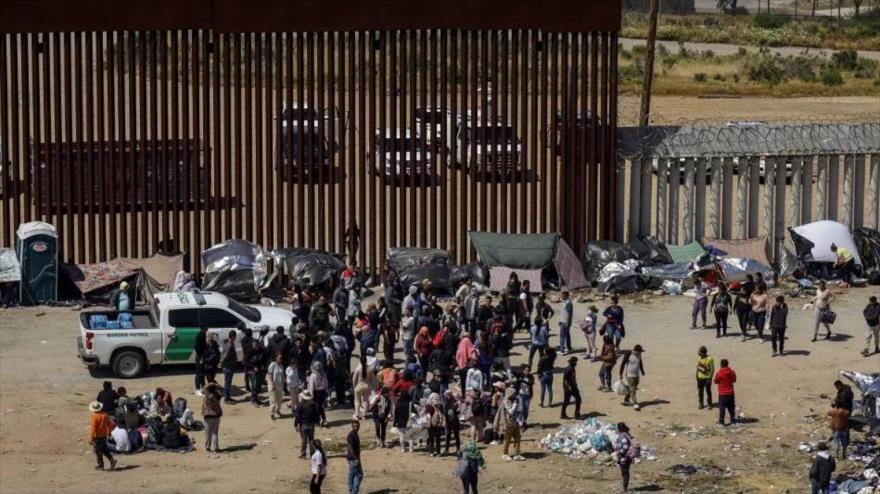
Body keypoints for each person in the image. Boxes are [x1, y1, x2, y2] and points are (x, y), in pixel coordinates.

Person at [496, 388, 524, 461]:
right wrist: (515, 404)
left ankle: (517, 454)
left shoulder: (513, 400)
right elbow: (510, 411)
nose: (515, 395)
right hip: (508, 424)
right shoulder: (506, 401)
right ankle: (505, 454)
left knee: (518, 438)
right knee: (507, 439)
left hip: (515, 422)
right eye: (514, 393)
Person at [89, 401, 117, 470]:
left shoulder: (94, 416)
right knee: (104, 449)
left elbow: (93, 429)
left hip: (97, 436)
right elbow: (109, 425)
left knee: (98, 451)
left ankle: (100, 465)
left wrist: (91, 438)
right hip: (104, 435)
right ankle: (111, 460)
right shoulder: (105, 415)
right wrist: (109, 433)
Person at [619, 345, 645, 410]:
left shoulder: (639, 355)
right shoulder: (628, 354)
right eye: (639, 352)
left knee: (633, 387)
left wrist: (642, 371)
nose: (640, 353)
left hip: (636, 375)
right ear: (635, 351)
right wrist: (620, 373)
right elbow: (623, 364)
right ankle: (634, 403)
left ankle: (626, 399)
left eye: (640, 352)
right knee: (632, 389)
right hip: (629, 375)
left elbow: (640, 363)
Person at [295, 390, 320, 459]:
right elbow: (317, 414)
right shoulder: (314, 404)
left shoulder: (300, 404)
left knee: (304, 440)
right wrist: (317, 422)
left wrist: (296, 424)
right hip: (311, 424)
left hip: (303, 424)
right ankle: (312, 453)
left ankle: (303, 454)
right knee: (311, 439)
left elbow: (297, 416)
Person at [714, 359, 737, 426]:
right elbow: (734, 380)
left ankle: (721, 422)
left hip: (722, 394)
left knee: (722, 408)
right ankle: (733, 421)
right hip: (730, 393)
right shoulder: (732, 372)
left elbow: (715, 381)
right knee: (731, 408)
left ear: (721, 365)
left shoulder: (719, 373)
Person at [201, 381, 223, 452]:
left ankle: (207, 447)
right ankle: (216, 448)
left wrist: (212, 384)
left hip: (208, 416)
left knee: (208, 432)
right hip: (216, 416)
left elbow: (204, 388)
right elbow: (221, 389)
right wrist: (217, 386)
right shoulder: (218, 395)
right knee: (215, 433)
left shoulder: (208, 395)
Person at [307, 361, 330, 427]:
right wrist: (326, 391)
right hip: (322, 392)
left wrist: (311, 395)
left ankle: (317, 421)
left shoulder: (313, 375)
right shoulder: (323, 373)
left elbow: (311, 386)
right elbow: (326, 384)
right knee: (320, 407)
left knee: (315, 407)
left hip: (316, 393)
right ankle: (324, 419)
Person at [615, 422, 635, 493]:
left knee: (625, 472)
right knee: (625, 472)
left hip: (624, 458)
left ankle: (625, 488)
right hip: (627, 457)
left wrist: (619, 452)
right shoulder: (627, 434)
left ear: (619, 429)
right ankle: (624, 487)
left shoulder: (623, 436)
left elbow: (625, 447)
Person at [219, 330, 237, 404]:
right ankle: (226, 399)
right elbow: (225, 355)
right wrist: (221, 362)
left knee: (228, 383)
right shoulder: (229, 345)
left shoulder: (227, 343)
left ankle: (228, 397)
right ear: (232, 336)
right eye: (235, 336)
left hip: (228, 366)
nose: (235, 338)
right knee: (227, 383)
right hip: (228, 366)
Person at [514, 364, 534, 428]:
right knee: (521, 409)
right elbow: (514, 373)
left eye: (528, 370)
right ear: (523, 370)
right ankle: (519, 423)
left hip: (528, 396)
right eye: (525, 370)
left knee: (526, 410)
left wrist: (522, 380)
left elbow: (530, 383)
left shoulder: (531, 377)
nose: (527, 372)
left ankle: (524, 421)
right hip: (520, 395)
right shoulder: (520, 376)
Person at [246, 339, 265, 406]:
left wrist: (263, 365)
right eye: (254, 345)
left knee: (258, 386)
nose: (255, 346)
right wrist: (253, 367)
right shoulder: (249, 351)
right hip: (252, 371)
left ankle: (256, 398)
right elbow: (245, 361)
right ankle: (253, 400)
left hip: (259, 370)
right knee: (254, 385)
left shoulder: (261, 351)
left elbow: (263, 359)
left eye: (256, 345)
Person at [347, 420, 363, 494]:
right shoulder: (351, 435)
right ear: (352, 426)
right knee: (359, 475)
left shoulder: (354, 434)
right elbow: (350, 447)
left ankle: (351, 491)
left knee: (352, 475)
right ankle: (353, 491)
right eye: (354, 426)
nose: (356, 428)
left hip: (353, 459)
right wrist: (356, 458)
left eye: (357, 426)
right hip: (353, 459)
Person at [267, 353, 285, 420]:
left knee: (280, 400)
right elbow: (270, 375)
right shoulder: (272, 365)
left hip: (280, 385)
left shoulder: (281, 365)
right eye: (279, 358)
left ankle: (278, 410)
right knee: (273, 400)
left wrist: (284, 382)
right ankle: (272, 414)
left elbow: (282, 375)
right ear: (276, 358)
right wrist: (272, 384)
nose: (281, 359)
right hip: (273, 385)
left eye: (281, 358)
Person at [193, 325, 209, 396]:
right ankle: (197, 389)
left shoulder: (203, 334)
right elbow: (197, 347)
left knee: (202, 373)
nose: (207, 328)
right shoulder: (200, 335)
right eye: (206, 327)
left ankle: (203, 388)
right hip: (200, 357)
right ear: (203, 328)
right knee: (199, 373)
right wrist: (200, 357)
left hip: (203, 357)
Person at [444, 391, 461, 455]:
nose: (446, 395)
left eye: (447, 394)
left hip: (453, 420)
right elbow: (445, 410)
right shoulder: (447, 400)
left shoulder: (454, 401)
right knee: (448, 435)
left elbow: (458, 411)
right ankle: (447, 449)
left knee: (455, 435)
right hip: (449, 420)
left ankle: (457, 449)